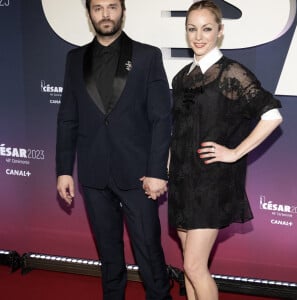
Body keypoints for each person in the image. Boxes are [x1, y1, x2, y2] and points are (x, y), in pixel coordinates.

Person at [56, 0, 172, 299]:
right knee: (108, 255)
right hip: (93, 174)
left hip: (138, 176)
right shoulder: (74, 59)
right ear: (89, 13)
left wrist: (157, 171)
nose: (105, 14)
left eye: (111, 6)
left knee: (148, 252)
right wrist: (63, 170)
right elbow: (68, 117)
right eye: (97, 8)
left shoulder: (147, 56)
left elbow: (161, 118)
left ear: (122, 11)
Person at [168, 1, 283, 299]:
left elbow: (272, 116)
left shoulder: (231, 73)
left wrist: (234, 152)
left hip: (212, 183)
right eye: (192, 29)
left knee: (194, 267)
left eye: (207, 29)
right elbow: (178, 129)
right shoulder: (181, 78)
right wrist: (168, 165)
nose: (199, 36)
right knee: (189, 266)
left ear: (220, 31)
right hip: (182, 181)